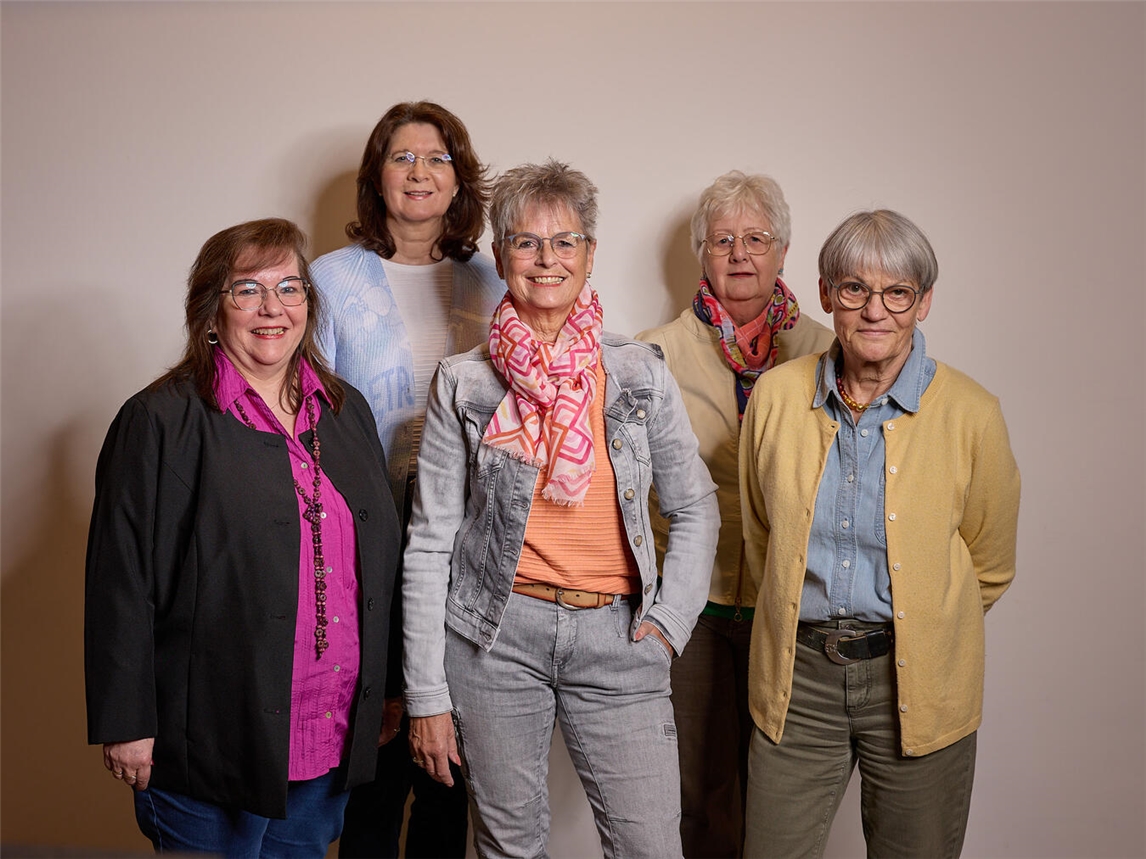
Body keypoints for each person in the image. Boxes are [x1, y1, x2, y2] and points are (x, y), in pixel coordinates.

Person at [402, 159, 719, 859]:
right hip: (493, 639)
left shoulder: (638, 371)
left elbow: (696, 506)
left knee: (649, 848)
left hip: (619, 637)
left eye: (565, 241)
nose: (547, 259)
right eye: (526, 241)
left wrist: (668, 622)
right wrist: (426, 693)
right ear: (500, 255)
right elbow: (429, 543)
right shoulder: (464, 382)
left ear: (590, 254)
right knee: (508, 848)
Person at [84, 218, 402, 858]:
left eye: (289, 288)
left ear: (309, 306)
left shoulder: (346, 411)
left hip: (325, 729)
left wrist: (388, 686)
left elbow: (378, 562)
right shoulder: (160, 421)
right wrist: (127, 724)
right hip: (208, 735)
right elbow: (121, 581)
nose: (272, 309)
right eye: (246, 290)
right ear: (210, 309)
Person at [739, 210, 1020, 858]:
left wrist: (926, 628)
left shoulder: (972, 413)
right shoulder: (777, 397)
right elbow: (762, 535)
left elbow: (990, 562)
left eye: (897, 292)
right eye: (854, 288)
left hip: (920, 680)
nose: (875, 309)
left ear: (923, 302)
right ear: (825, 294)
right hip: (797, 679)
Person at [309, 101, 504, 858]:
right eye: (402, 157)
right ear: (376, 177)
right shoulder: (329, 278)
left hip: (474, 549)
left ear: (460, 180)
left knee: (453, 767)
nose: (419, 173)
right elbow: (310, 422)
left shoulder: (492, 280)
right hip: (369, 553)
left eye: (437, 158)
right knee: (379, 757)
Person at [636, 170, 834, 858]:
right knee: (694, 793)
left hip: (795, 610)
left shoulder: (826, 351)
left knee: (780, 800)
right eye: (724, 240)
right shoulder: (652, 353)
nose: (741, 253)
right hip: (694, 607)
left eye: (757, 238)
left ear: (784, 251)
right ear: (703, 253)